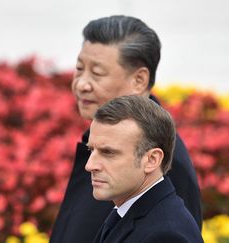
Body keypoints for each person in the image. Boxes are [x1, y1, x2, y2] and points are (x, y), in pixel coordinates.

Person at [50, 15, 202, 243]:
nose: (81, 84)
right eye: (79, 69)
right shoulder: (101, 138)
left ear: (139, 80)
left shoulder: (165, 164)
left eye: (97, 73)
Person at [86, 95, 203, 243]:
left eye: (108, 152)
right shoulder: (131, 211)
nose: (90, 165)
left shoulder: (165, 236)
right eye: (91, 150)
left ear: (152, 160)